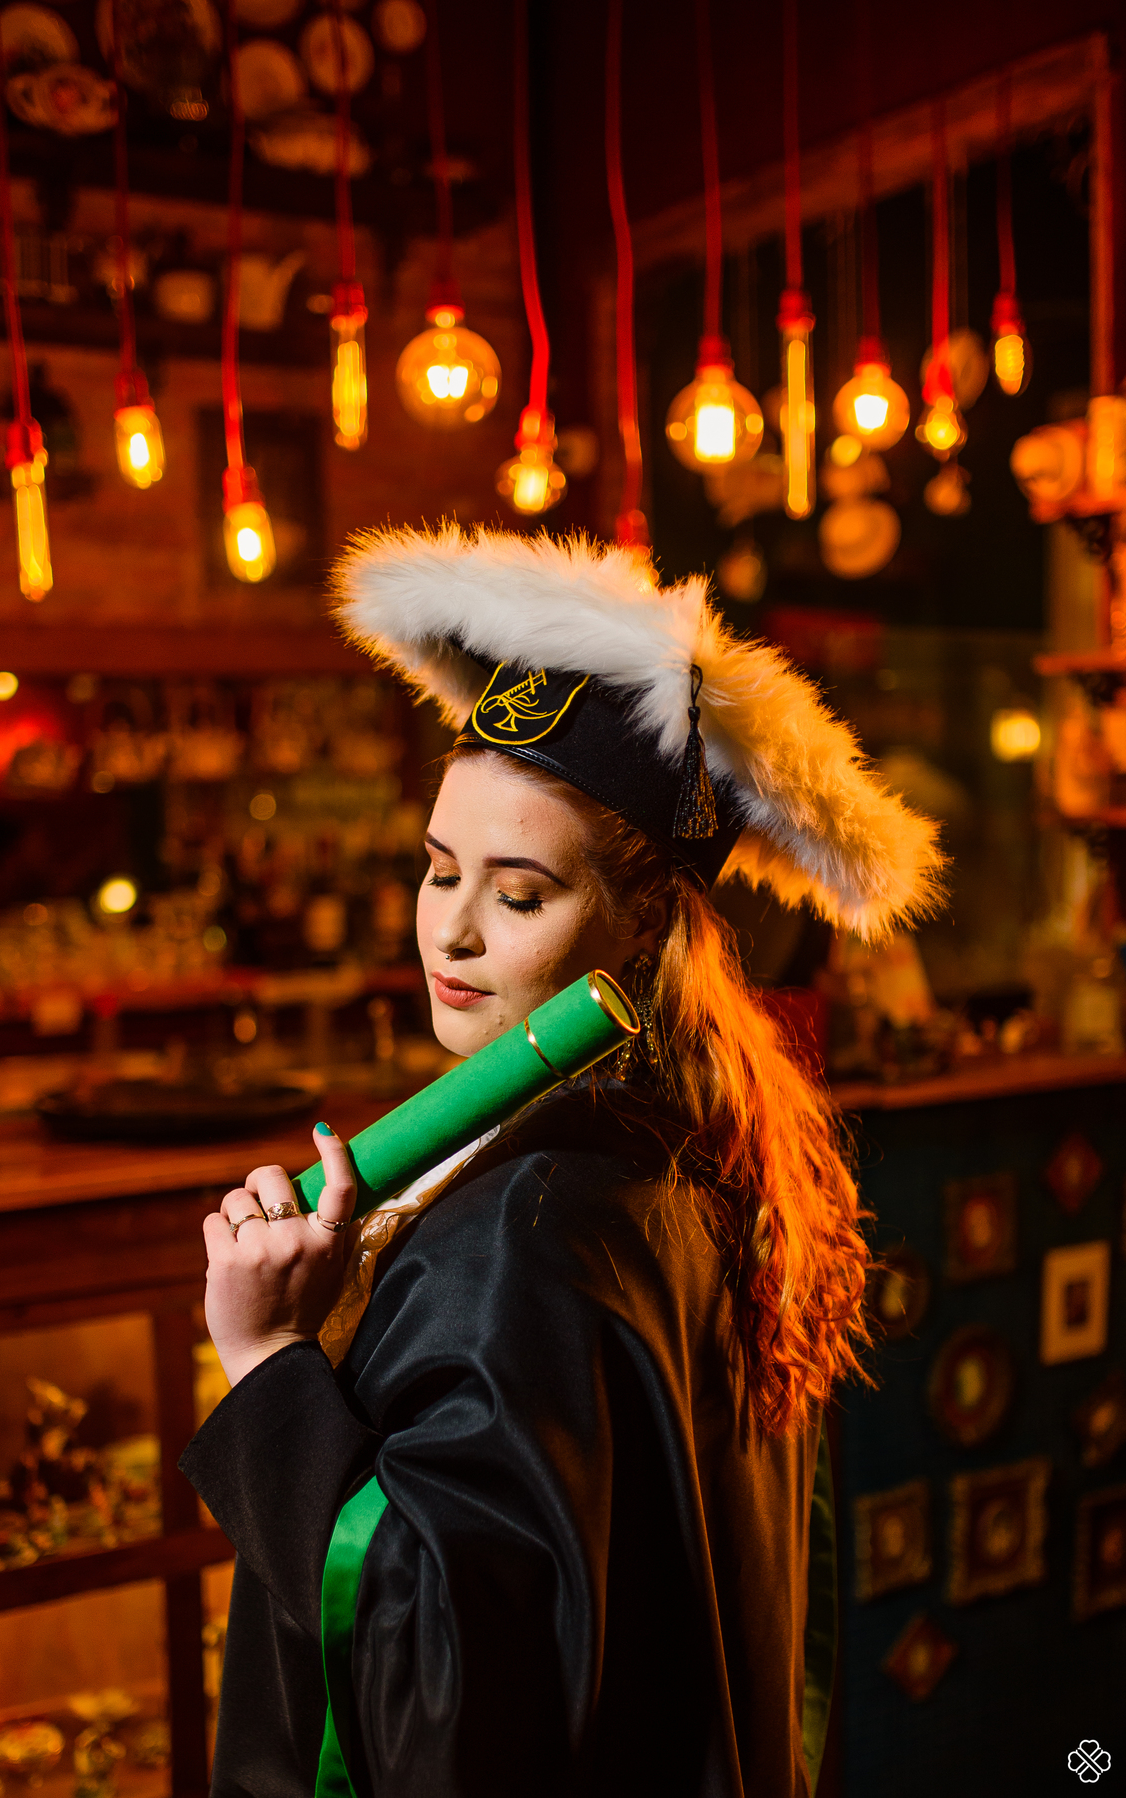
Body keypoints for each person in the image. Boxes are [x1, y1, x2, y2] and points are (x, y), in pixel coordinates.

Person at [181, 527, 942, 1798]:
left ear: (645, 920)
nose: (454, 930)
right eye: (438, 870)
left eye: (521, 893)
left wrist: (267, 1365)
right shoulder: (696, 1142)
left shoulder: (534, 1217)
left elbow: (446, 1696)